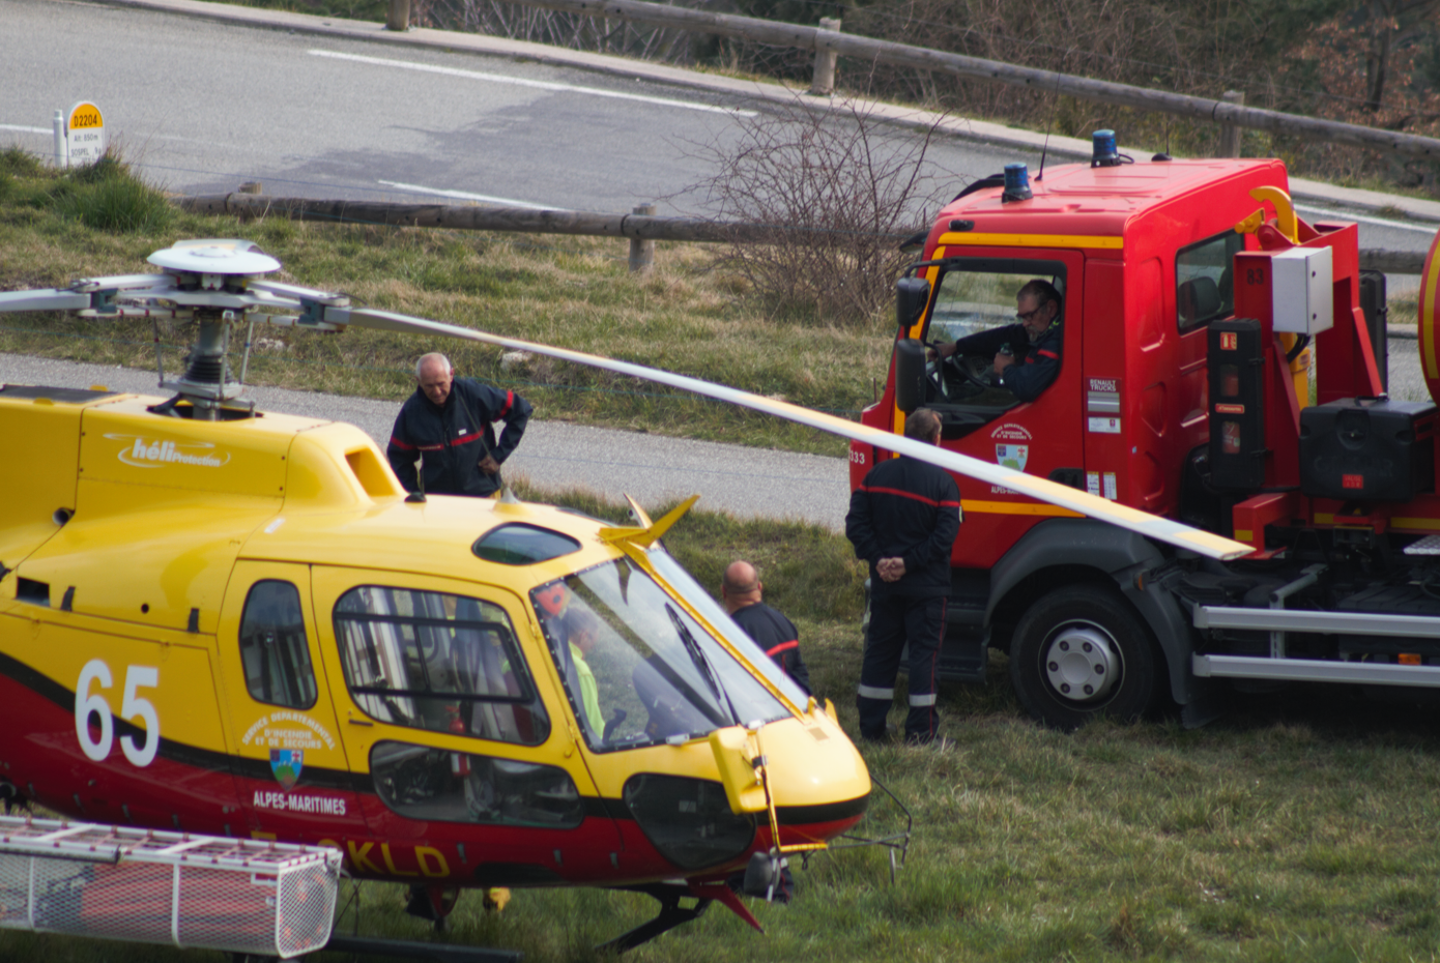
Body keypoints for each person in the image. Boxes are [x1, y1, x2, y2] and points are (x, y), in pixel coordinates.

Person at [844, 408, 961, 745]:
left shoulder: (876, 475)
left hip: (885, 586)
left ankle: (871, 729)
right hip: (926, 589)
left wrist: (880, 560)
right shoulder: (943, 484)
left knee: (880, 653)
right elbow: (943, 539)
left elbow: (856, 525)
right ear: (936, 439)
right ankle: (921, 734)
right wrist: (907, 563)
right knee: (925, 658)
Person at [387, 353, 532, 497]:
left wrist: (498, 455)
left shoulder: (473, 394)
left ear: (451, 375)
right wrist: (413, 495)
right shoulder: (411, 412)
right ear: (418, 381)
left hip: (484, 498)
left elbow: (521, 410)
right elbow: (399, 458)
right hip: (438, 503)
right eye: (429, 386)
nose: (437, 392)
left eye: (441, 384)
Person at [933, 279, 1062, 403]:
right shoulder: (1040, 328)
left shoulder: (1056, 340)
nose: (1024, 324)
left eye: (1029, 316)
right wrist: (957, 346)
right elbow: (1002, 336)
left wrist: (1006, 368)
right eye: (1022, 317)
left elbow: (1026, 389)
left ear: (1051, 308)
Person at [721, 561, 812, 696]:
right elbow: (800, 676)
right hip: (794, 710)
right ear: (759, 586)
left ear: (723, 591)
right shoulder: (784, 622)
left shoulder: (730, 634)